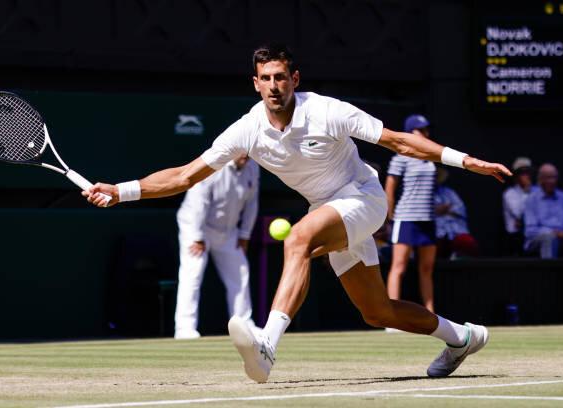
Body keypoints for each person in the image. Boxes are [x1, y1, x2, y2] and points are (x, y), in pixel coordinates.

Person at [83, 44, 511, 383]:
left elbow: (399, 141)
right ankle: (464, 337)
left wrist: (467, 160)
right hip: (328, 209)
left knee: (299, 239)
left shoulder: (328, 111)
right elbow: (185, 175)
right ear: (255, 83)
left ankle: (267, 346)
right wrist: (120, 192)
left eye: (281, 78)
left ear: (295, 80)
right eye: (266, 78)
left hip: (363, 197)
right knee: (378, 312)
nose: (274, 86)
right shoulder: (247, 129)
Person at [174, 154, 260, 339]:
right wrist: (197, 237)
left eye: (248, 151)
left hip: (228, 231)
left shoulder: (253, 168)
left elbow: (252, 203)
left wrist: (245, 234)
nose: (245, 155)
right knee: (193, 273)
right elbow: (199, 202)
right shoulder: (213, 166)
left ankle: (245, 325)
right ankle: (184, 329)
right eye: (241, 151)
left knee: (240, 272)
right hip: (196, 226)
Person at [385, 114, 437, 314]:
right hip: (406, 218)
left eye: (426, 129)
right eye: (420, 130)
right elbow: (389, 187)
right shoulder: (400, 158)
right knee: (399, 267)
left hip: (428, 219)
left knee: (426, 269)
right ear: (410, 133)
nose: (425, 133)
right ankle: (391, 316)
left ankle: (431, 314)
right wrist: (391, 216)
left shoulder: (431, 157)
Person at [524, 163, 563, 259]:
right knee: (549, 238)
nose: (552, 181)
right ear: (540, 179)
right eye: (548, 177)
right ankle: (549, 272)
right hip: (539, 238)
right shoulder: (532, 199)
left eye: (554, 177)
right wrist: (555, 233)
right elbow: (530, 230)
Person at [434, 167, 479, 259]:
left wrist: (443, 210)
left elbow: (460, 209)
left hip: (455, 231)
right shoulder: (421, 193)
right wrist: (436, 210)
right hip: (435, 232)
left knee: (468, 243)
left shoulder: (449, 192)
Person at [502, 157, 535, 255]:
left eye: (528, 172)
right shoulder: (509, 193)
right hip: (516, 237)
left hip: (534, 231)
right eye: (523, 173)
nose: (527, 176)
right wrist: (526, 191)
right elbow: (519, 213)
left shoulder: (537, 191)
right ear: (516, 176)